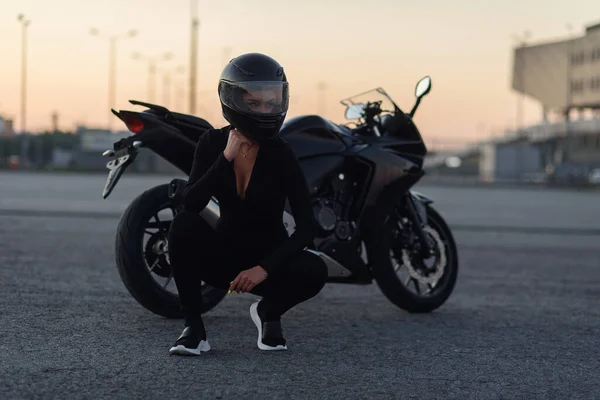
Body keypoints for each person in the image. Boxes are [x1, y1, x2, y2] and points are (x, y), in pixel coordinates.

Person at [167, 52, 328, 356]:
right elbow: (192, 203)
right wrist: (225, 159)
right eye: (253, 103)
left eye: (270, 102)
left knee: (315, 269)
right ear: (233, 99)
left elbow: (307, 229)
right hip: (224, 259)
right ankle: (193, 329)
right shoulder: (212, 143)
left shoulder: (282, 154)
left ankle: (269, 311)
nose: (264, 110)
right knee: (182, 226)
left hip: (269, 264)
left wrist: (263, 269)